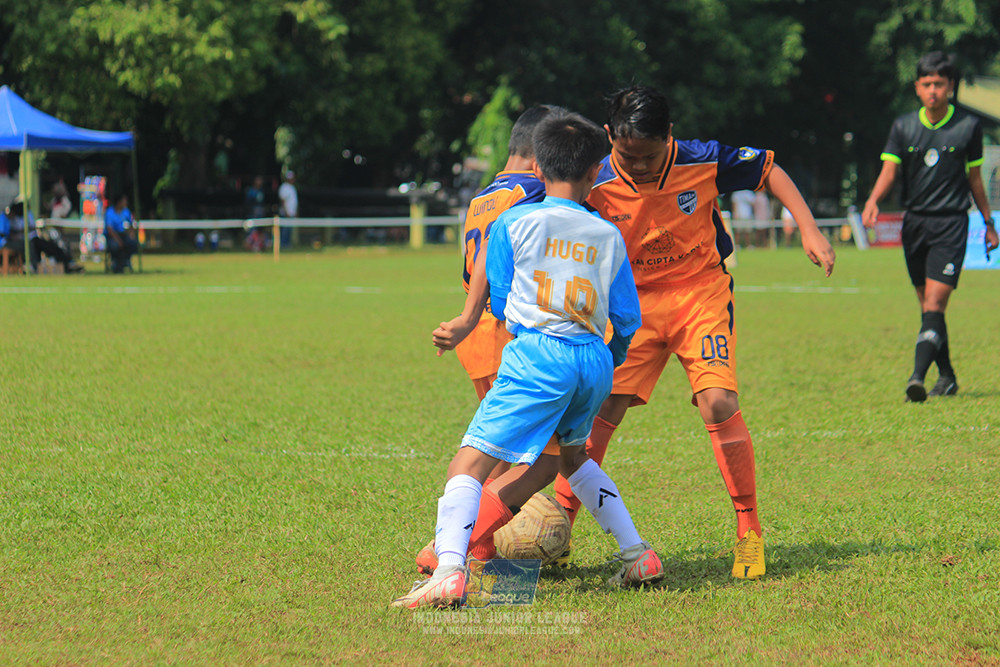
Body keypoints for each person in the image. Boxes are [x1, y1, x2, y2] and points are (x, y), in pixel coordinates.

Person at [551, 85, 835, 580]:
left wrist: (808, 227)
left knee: (718, 401)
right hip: (630, 306)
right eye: (628, 156)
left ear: (670, 136)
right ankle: (556, 529)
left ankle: (749, 530)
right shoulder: (592, 176)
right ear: (609, 137)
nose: (640, 166)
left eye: (650, 155)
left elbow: (768, 170)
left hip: (698, 294)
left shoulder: (702, 159)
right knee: (594, 418)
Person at [393, 112, 664, 609]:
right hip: (594, 360)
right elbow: (627, 317)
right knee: (573, 458)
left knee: (468, 462)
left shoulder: (513, 222)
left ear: (537, 168)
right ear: (595, 172)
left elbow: (498, 301)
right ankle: (637, 554)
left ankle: (449, 570)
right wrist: (610, 358)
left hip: (539, 355)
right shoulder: (607, 233)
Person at [414, 106, 564, 575]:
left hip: (477, 338)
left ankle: (477, 547)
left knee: (498, 451)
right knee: (548, 460)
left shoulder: (482, 197)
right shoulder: (534, 191)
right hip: (508, 332)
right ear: (542, 159)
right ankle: (454, 544)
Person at [862, 51, 998, 402]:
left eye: (939, 83)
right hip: (914, 224)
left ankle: (917, 378)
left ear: (950, 86)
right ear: (917, 88)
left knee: (935, 304)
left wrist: (988, 222)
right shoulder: (903, 126)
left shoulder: (968, 126)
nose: (933, 90)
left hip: (951, 223)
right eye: (926, 84)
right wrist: (873, 200)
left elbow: (975, 179)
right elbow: (889, 171)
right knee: (928, 309)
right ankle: (948, 377)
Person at [0, 198, 83, 273]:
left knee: (41, 243)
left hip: (25, 239)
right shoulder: (4, 218)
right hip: (6, 242)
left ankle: (64, 261)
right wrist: (20, 232)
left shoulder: (19, 217)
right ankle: (35, 267)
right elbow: (5, 234)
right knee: (29, 244)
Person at [105, 193, 138, 273]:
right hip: (113, 236)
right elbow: (109, 229)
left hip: (124, 235)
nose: (126, 203)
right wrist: (119, 240)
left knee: (133, 243)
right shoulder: (110, 212)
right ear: (119, 202)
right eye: (124, 201)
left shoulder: (126, 212)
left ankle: (125, 260)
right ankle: (116, 262)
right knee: (115, 246)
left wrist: (131, 233)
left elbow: (131, 224)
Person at [278, 170, 298, 249]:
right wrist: (286, 212)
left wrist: (295, 212)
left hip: (291, 213)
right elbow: (283, 201)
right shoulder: (284, 187)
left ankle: (287, 244)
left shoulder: (292, 188)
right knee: (285, 230)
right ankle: (283, 244)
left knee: (289, 230)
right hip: (286, 213)